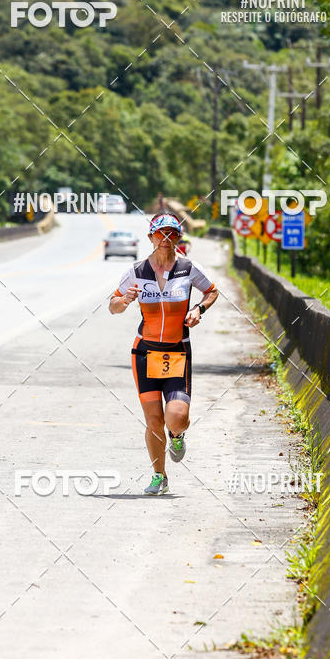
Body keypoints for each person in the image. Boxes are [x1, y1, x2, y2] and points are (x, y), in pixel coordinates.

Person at [109, 212, 219, 495]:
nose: (167, 239)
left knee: (176, 417)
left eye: (173, 234)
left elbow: (212, 291)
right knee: (154, 420)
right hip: (144, 353)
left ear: (178, 238)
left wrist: (198, 309)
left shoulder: (188, 267)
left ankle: (178, 434)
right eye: (161, 234)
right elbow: (113, 305)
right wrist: (124, 300)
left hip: (177, 351)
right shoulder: (136, 271)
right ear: (151, 237)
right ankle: (160, 475)